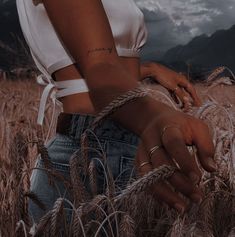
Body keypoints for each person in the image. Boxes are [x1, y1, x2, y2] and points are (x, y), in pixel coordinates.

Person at [16, 0, 216, 224]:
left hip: (114, 147)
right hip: (93, 153)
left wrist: (149, 69)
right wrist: (151, 116)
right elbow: (99, 66)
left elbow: (97, 61)